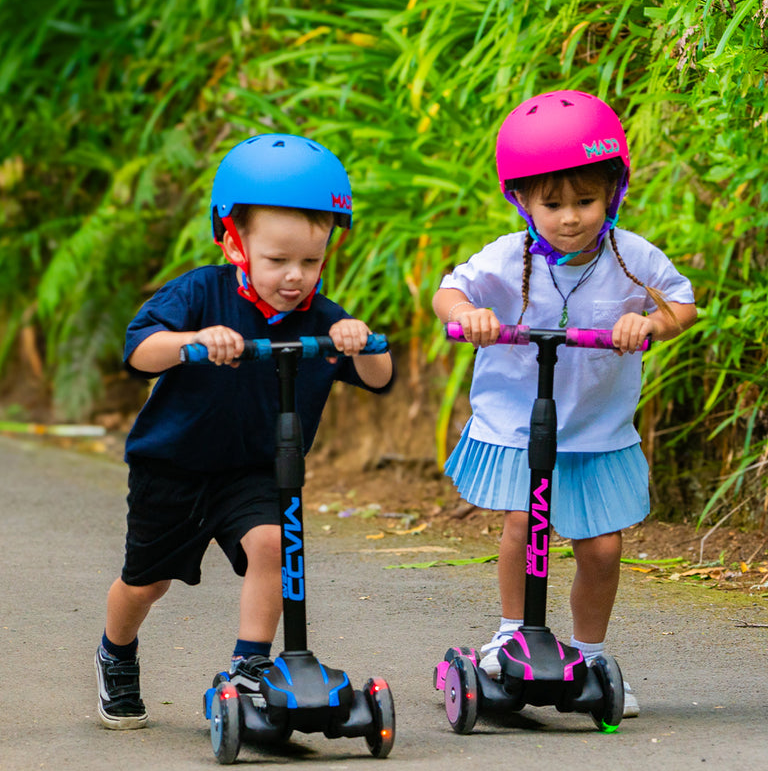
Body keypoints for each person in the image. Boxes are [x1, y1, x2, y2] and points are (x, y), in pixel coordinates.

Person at [96, 133, 394, 729]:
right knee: (146, 583)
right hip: (173, 466)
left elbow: (380, 377)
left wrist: (360, 340)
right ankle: (116, 652)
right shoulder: (200, 292)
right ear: (235, 243)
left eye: (310, 262)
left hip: (256, 469)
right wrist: (193, 341)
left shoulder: (321, 317)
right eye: (277, 260)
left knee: (272, 545)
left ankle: (249, 665)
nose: (295, 276)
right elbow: (140, 351)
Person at [432, 90, 696, 716]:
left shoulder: (632, 257)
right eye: (552, 204)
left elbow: (681, 304)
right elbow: (449, 293)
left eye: (585, 201)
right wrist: (469, 314)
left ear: (613, 195)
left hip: (596, 428)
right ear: (522, 200)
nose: (570, 218)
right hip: (519, 424)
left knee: (602, 548)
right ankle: (511, 635)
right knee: (524, 524)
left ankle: (591, 654)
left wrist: (649, 323)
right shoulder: (508, 256)